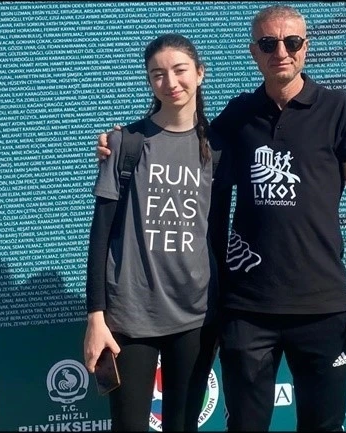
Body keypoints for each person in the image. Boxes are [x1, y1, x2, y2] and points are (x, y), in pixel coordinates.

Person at [96, 5, 346, 431]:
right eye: (268, 44)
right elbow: (180, 135)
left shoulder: (337, 108)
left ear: (305, 47)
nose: (281, 52)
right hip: (248, 310)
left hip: (322, 306)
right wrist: (120, 141)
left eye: (291, 42)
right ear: (254, 52)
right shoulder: (238, 115)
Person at [84, 33, 226, 432]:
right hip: (130, 316)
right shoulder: (125, 144)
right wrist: (96, 317)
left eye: (180, 70)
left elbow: (217, 234)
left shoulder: (218, 148)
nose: (171, 82)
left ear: (200, 73)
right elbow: (100, 235)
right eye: (157, 74)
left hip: (196, 315)